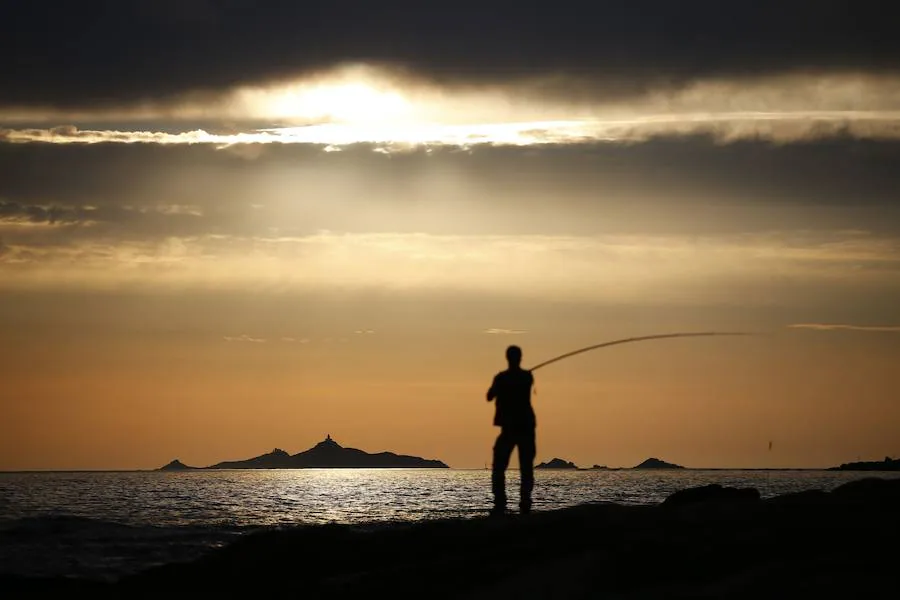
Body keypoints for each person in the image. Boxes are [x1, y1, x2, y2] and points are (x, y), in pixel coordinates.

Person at [486, 344, 536, 516]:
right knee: (525, 467)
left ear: (507, 358)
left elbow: (489, 396)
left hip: (511, 428)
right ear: (520, 358)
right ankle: (524, 502)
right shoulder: (526, 377)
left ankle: (501, 503)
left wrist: (500, 385)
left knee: (499, 467)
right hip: (525, 427)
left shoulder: (501, 378)